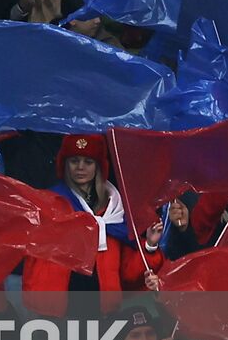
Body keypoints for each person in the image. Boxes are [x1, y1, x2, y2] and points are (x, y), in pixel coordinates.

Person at [24, 134, 161, 316]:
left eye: (88, 161)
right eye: (74, 160)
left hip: (102, 312)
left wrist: (150, 245)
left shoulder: (115, 212)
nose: (80, 167)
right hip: (55, 313)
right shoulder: (49, 202)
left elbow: (127, 272)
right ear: (64, 164)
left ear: (98, 167)